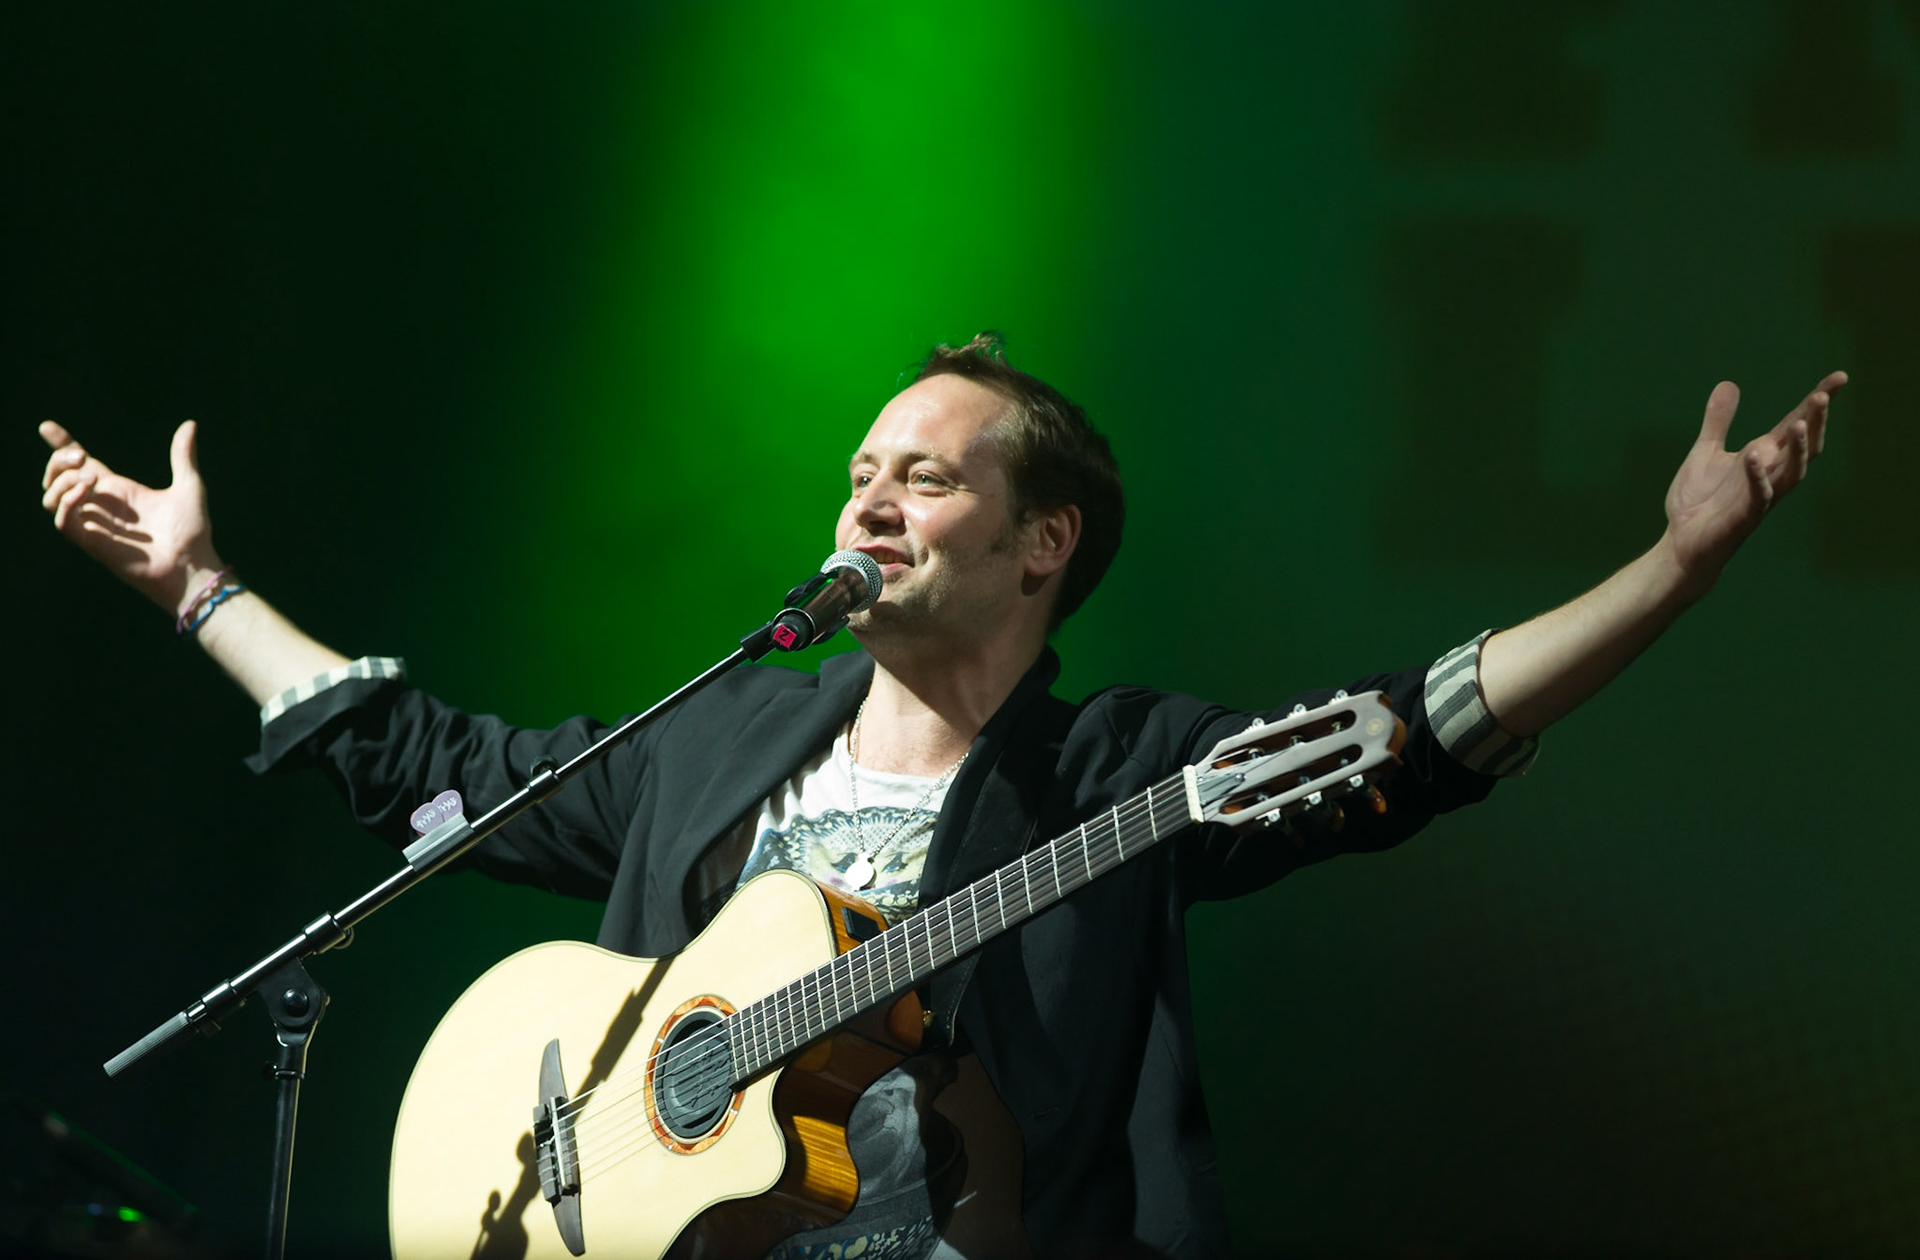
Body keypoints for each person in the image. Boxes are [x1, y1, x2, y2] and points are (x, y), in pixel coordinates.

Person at [38, 335, 1842, 1259]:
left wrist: (1665, 576)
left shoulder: (1112, 770)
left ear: (1044, 540)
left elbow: (1402, 736)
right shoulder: (718, 740)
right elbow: (429, 772)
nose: (866, 504)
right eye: (855, 476)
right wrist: (201, 594)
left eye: (922, 476)